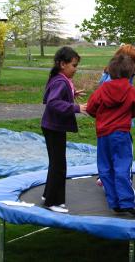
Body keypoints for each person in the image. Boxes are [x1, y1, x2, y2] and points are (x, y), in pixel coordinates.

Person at [86, 54, 135, 217]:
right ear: (130, 72)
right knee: (122, 166)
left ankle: (114, 201)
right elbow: (134, 111)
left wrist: (101, 117)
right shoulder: (131, 91)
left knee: (105, 167)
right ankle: (126, 201)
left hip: (103, 134)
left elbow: (90, 108)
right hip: (121, 134)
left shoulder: (102, 88)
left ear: (110, 71)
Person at [41, 46, 87, 213]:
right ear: (62, 64)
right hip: (54, 128)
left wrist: (72, 93)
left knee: (56, 163)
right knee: (59, 165)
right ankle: (52, 202)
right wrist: (75, 107)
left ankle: (48, 195)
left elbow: (54, 94)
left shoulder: (58, 78)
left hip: (51, 126)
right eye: (74, 65)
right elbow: (52, 102)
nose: (75, 69)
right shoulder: (60, 80)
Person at [95, 44, 135, 187]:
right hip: (120, 125)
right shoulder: (112, 80)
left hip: (107, 125)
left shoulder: (115, 74)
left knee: (110, 152)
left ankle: (107, 178)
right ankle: (122, 184)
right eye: (133, 62)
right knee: (122, 155)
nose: (134, 66)